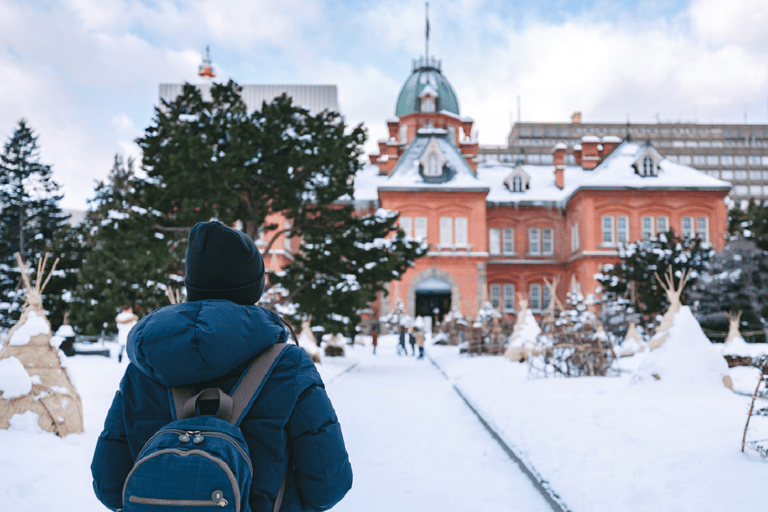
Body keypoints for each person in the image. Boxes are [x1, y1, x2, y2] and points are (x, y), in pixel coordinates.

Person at [91, 221, 352, 512]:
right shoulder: (288, 365)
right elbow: (328, 485)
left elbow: (109, 485)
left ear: (192, 284)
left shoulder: (146, 365)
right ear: (255, 285)